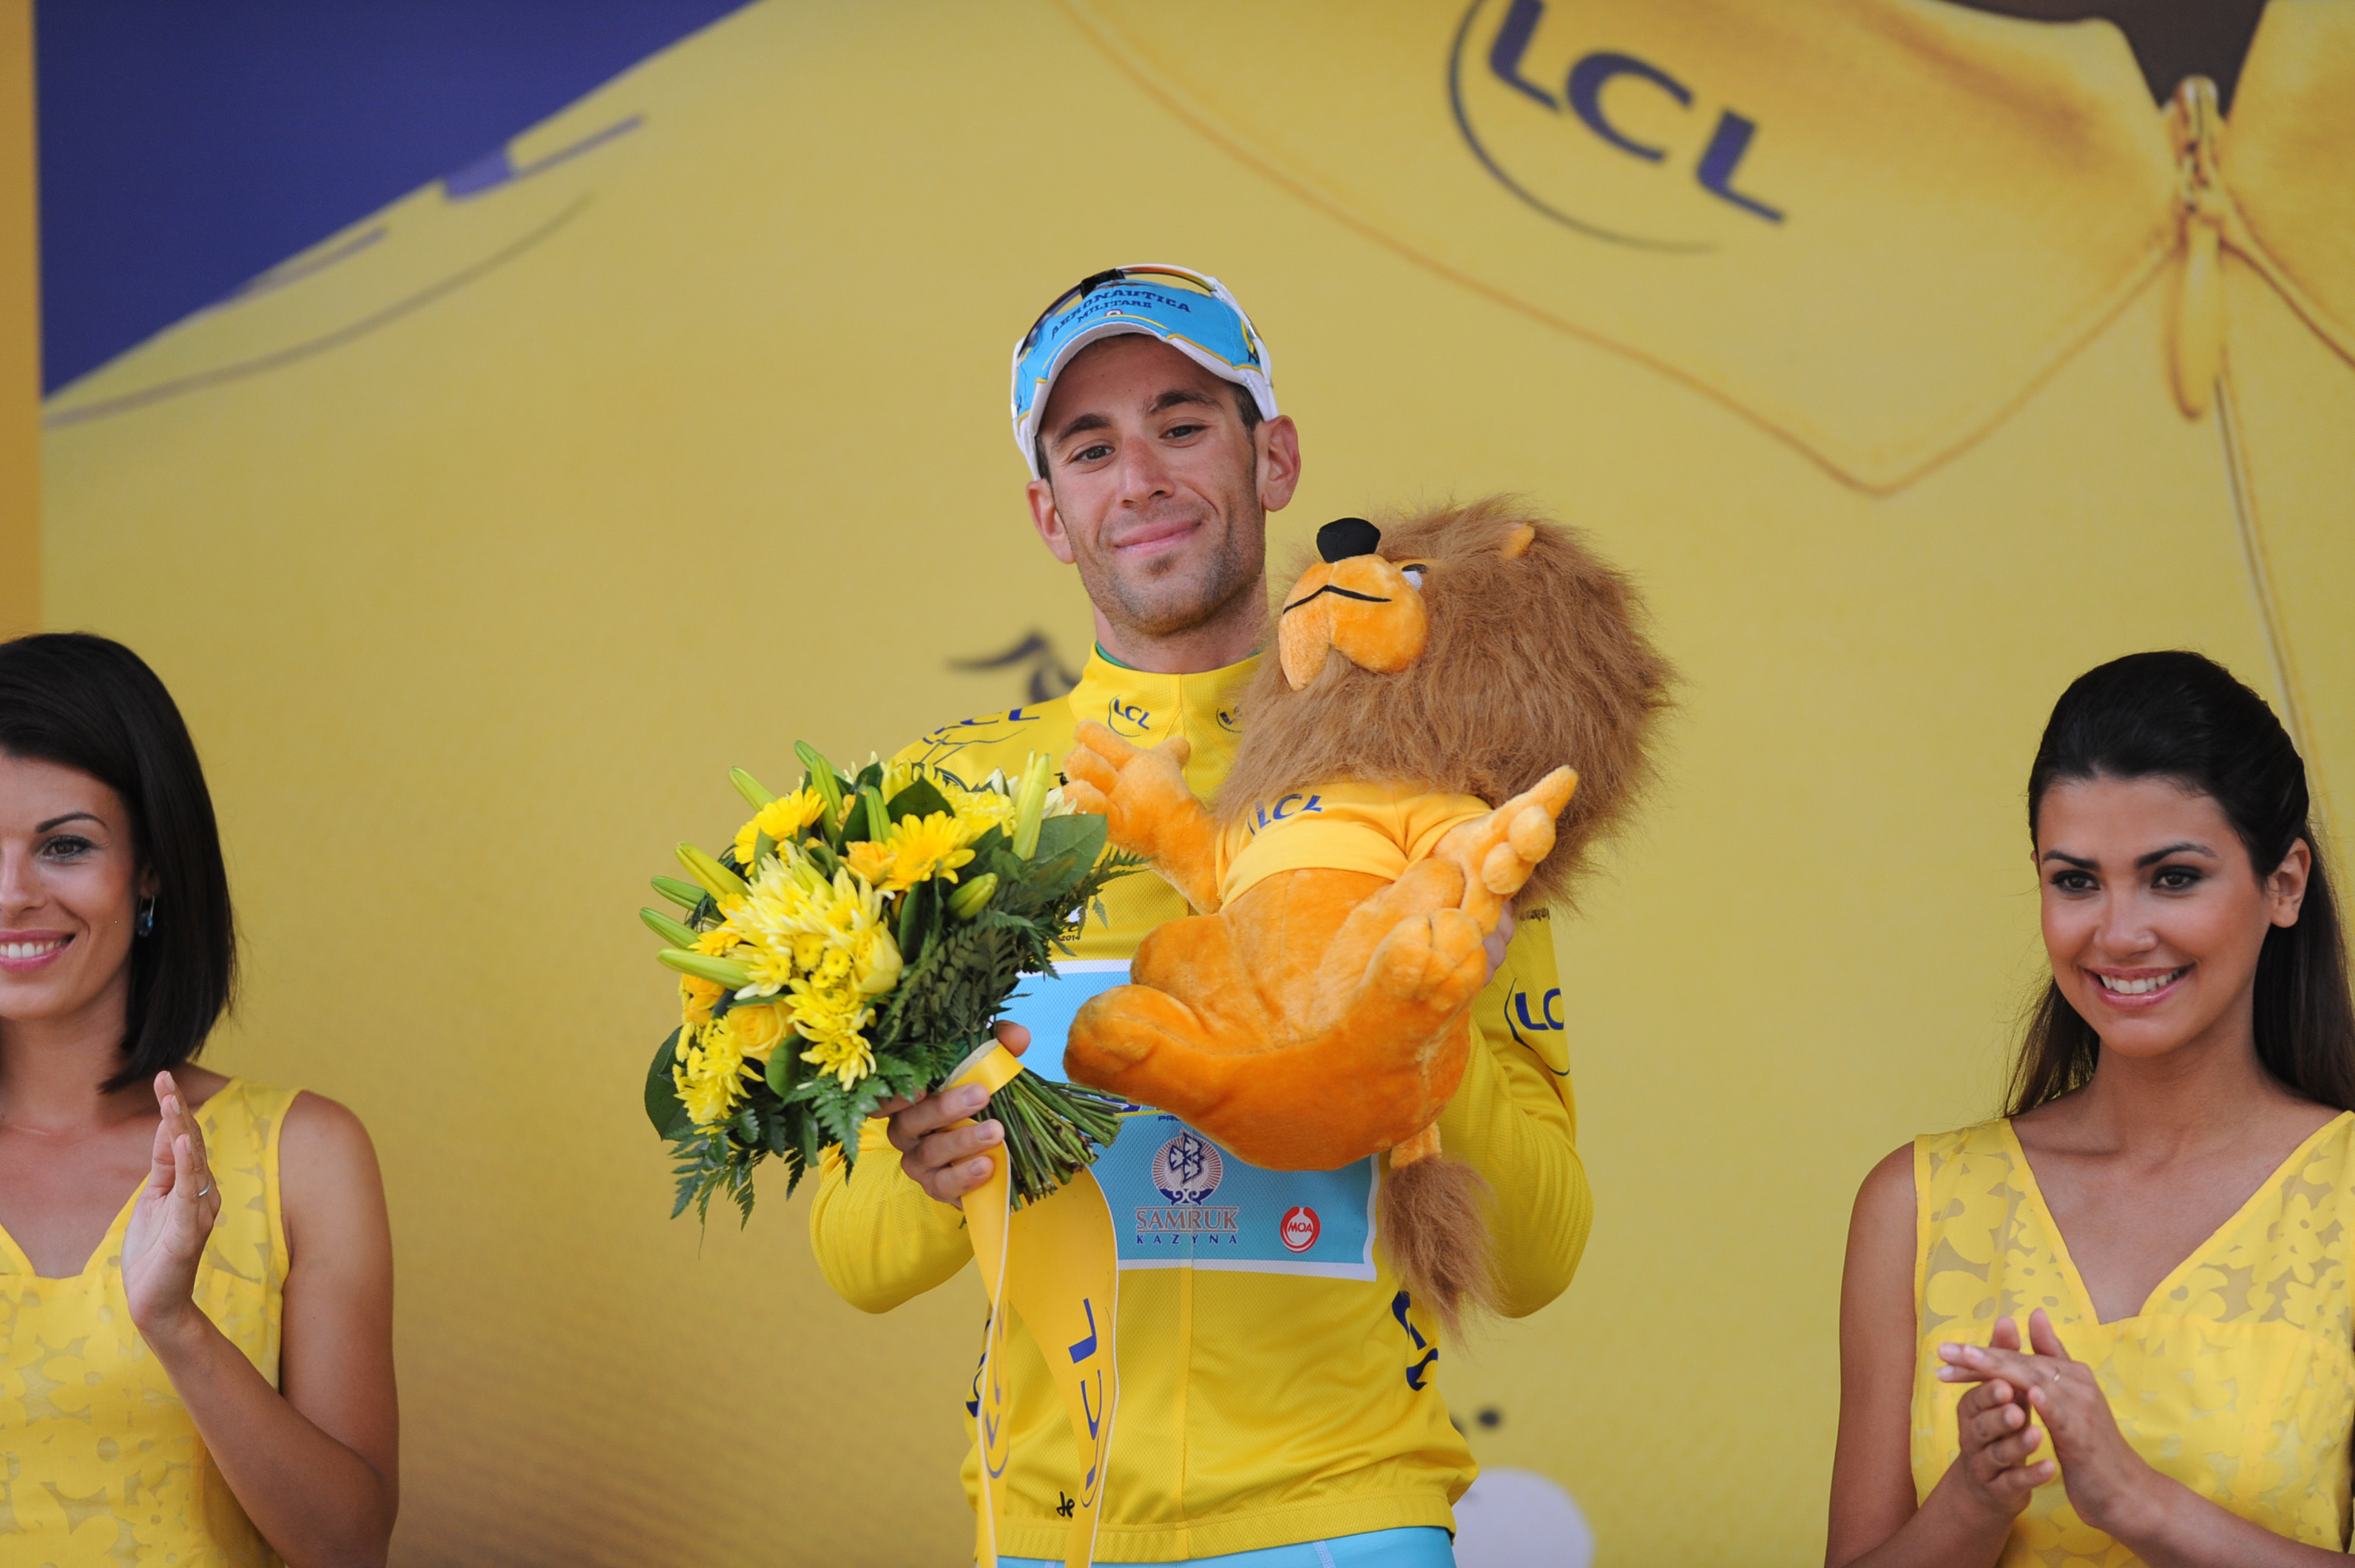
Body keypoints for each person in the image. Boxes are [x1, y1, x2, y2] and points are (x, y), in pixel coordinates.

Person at [807, 266, 1595, 1566]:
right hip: (1048, 1530)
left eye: (1181, 426)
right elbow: (857, 1256)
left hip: (1342, 1517)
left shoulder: (1425, 784)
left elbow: (1535, 1257)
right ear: (1047, 514)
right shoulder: (940, 809)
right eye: (1089, 447)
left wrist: (1425, 1018)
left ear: (1270, 457)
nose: (1141, 480)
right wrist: (926, 1162)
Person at [1825, 649, 2355, 1567]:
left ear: (2285, 882)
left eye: (2173, 876)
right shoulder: (1913, 1202)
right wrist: (1973, 1498)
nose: (2116, 932)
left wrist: (2138, 1501)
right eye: (2075, 880)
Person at [0, 634, 398, 1567]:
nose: (11, 892)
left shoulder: (305, 1154)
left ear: (152, 868)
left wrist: (176, 1324)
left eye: (63, 845)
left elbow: (349, 1547)